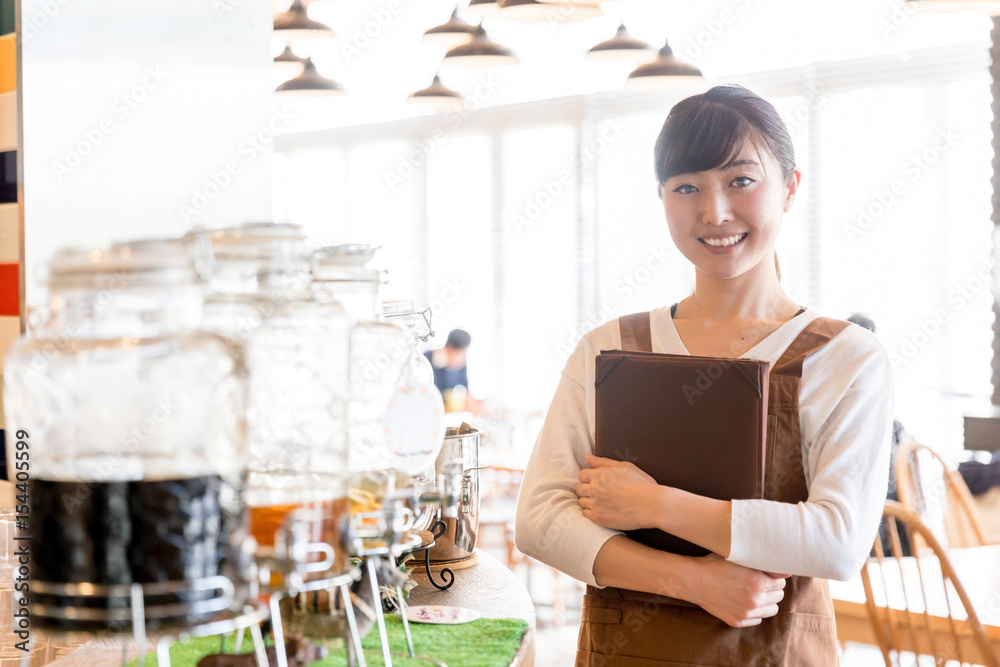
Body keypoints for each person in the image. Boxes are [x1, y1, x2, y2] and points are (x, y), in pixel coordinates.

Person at [514, 85, 893, 666]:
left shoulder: (845, 357)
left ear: (791, 187)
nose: (714, 212)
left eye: (741, 180)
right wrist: (690, 580)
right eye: (686, 187)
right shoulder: (608, 347)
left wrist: (655, 505)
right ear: (662, 198)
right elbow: (540, 519)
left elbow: (837, 542)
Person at [424, 328, 481, 412]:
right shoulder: (428, 359)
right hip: (431, 408)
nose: (460, 355)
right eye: (457, 352)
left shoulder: (461, 362)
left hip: (448, 411)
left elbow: (465, 386)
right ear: (448, 346)